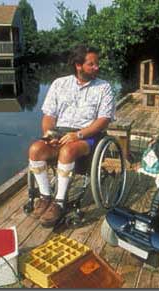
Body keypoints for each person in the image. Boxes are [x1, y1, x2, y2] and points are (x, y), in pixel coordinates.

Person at [27, 45, 115, 227]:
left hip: (89, 134)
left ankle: (59, 202)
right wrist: (49, 134)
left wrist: (78, 134)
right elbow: (49, 115)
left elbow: (104, 120)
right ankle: (45, 196)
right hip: (60, 132)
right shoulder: (59, 83)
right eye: (91, 64)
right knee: (35, 149)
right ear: (78, 65)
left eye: (97, 64)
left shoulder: (104, 87)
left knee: (67, 150)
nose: (96, 67)